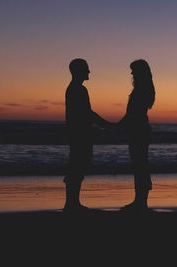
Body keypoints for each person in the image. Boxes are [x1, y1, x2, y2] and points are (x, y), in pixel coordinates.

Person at [63, 58, 111, 212]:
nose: (89, 71)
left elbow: (86, 115)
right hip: (80, 134)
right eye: (86, 69)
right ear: (78, 71)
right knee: (77, 166)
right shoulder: (79, 90)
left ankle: (73, 203)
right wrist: (108, 125)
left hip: (77, 133)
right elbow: (87, 114)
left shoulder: (73, 89)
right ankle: (72, 204)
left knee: (77, 165)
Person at [118, 59, 156, 212]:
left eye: (134, 70)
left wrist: (116, 125)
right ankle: (140, 201)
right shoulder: (144, 88)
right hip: (140, 129)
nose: (131, 73)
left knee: (139, 165)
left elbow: (133, 113)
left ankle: (140, 202)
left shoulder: (140, 90)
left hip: (139, 130)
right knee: (141, 165)